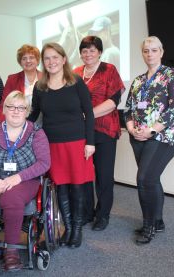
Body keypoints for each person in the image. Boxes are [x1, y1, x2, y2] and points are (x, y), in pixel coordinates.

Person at [0, 91, 50, 271]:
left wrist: (16, 177)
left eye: (21, 108)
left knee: (10, 199)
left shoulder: (36, 132)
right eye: (11, 107)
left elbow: (44, 163)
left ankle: (11, 251)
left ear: (27, 111)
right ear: (4, 109)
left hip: (25, 179)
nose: (15, 111)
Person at [28, 42, 95, 248]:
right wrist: (17, 125)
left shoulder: (75, 82)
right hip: (52, 144)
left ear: (64, 59)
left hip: (77, 142)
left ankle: (77, 230)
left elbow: (89, 113)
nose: (51, 62)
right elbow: (34, 114)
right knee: (61, 188)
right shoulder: (40, 87)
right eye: (47, 58)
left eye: (55, 57)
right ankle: (67, 227)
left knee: (77, 187)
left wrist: (90, 142)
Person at [124, 36, 174, 244]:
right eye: (146, 50)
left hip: (163, 136)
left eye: (153, 50)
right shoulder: (138, 81)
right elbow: (129, 110)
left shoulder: (171, 76)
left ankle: (148, 225)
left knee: (144, 180)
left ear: (161, 51)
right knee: (152, 179)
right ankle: (157, 221)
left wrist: (151, 130)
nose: (149, 54)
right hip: (138, 137)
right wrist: (132, 128)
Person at [73, 36, 125, 231]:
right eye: (84, 51)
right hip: (81, 132)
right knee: (85, 174)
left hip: (105, 130)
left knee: (104, 176)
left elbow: (114, 100)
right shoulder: (76, 73)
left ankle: (103, 215)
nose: (88, 54)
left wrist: (88, 115)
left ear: (100, 52)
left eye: (92, 50)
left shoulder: (109, 70)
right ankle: (87, 212)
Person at [0, 44, 42, 122]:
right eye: (24, 58)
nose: (28, 61)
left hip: (42, 123)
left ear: (37, 60)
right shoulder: (12, 79)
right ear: (20, 62)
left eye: (31, 57)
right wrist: (0, 126)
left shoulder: (46, 78)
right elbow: (4, 104)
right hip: (19, 123)